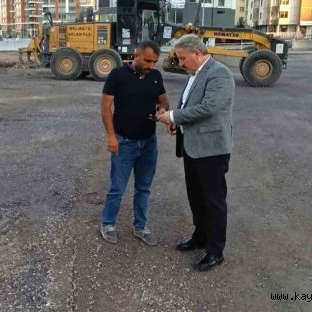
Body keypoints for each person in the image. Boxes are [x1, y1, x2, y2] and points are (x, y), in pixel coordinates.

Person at [156, 34, 235, 272]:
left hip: (212, 149)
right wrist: (177, 123)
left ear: (197, 54)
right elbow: (187, 106)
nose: (180, 63)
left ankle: (215, 251)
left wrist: (172, 116)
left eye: (182, 58)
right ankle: (200, 237)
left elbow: (208, 108)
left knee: (213, 201)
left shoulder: (219, 74)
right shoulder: (195, 74)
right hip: (193, 146)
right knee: (196, 198)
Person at [100, 40, 169, 246]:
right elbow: (105, 108)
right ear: (136, 55)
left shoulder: (156, 76)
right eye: (147, 61)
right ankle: (108, 223)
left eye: (154, 62)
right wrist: (111, 137)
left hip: (149, 142)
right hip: (124, 141)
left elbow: (163, 100)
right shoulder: (117, 75)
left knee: (144, 187)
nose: (151, 65)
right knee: (117, 187)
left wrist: (163, 109)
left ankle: (140, 227)